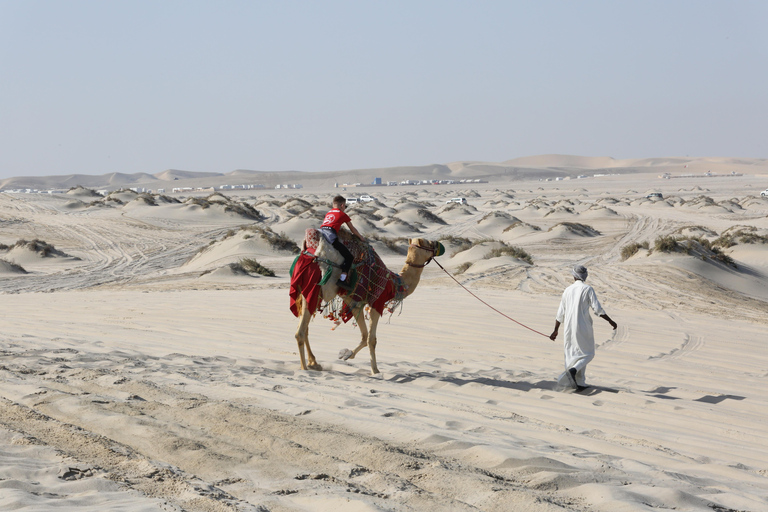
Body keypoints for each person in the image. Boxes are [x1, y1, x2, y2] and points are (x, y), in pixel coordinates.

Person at [549, 264, 617, 391]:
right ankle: (573, 371)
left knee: (572, 353)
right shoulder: (588, 289)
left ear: (574, 276)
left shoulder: (567, 290)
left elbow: (560, 313)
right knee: (588, 353)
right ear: (585, 276)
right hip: (583, 327)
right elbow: (597, 309)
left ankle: (580, 382)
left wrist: (555, 330)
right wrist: (611, 321)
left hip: (569, 328)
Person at [320, 195, 365, 290]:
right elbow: (353, 229)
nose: (345, 208)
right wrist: (360, 237)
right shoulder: (342, 214)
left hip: (321, 233)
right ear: (342, 205)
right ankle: (342, 279)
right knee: (349, 257)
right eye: (345, 206)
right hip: (330, 236)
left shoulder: (329, 213)